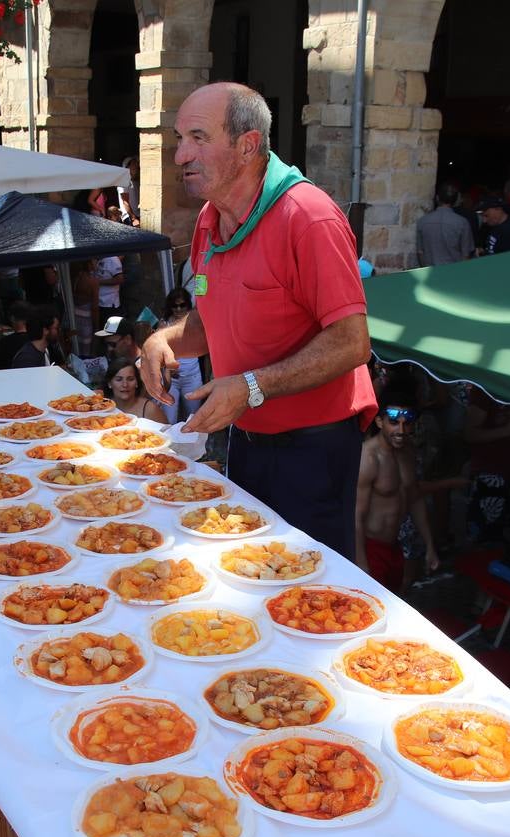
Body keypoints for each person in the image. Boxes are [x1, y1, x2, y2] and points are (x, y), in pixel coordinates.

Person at [140, 82, 376, 560]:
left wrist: (250, 386)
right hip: (247, 436)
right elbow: (209, 322)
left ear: (247, 145)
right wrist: (162, 338)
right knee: (248, 568)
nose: (180, 155)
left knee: (308, 586)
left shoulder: (308, 218)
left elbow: (353, 343)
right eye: (179, 138)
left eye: (198, 138)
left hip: (314, 447)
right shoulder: (210, 219)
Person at [355, 397, 438, 592]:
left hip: (394, 546)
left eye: (406, 423)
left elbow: (415, 499)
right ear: (379, 422)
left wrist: (430, 545)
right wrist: (360, 562)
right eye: (394, 422)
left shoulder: (408, 453)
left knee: (396, 598)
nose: (401, 430)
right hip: (370, 548)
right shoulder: (368, 458)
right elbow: (355, 515)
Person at [462, 387, 510, 543]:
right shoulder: (484, 388)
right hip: (491, 475)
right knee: (484, 540)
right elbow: (470, 434)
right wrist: (507, 430)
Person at [157, 288, 204, 424]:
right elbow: (158, 351)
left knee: (193, 420)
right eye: (175, 306)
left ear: (187, 305)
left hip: (192, 377)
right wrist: (166, 368)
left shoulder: (196, 322)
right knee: (169, 420)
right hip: (171, 380)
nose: (178, 309)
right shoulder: (164, 324)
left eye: (182, 305)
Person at [415, 183, 474, 266]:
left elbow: (420, 252)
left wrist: (424, 268)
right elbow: (466, 254)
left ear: (437, 198)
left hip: (430, 272)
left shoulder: (423, 221)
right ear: (456, 201)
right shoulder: (462, 222)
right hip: (453, 272)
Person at [105, 356, 169, 424]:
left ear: (137, 383)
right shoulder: (101, 408)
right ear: (109, 384)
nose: (125, 385)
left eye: (130, 379)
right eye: (119, 380)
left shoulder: (151, 410)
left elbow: (166, 432)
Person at [8, 304, 60, 368]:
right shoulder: (26, 359)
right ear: (45, 330)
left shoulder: (44, 351)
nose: (58, 332)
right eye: (56, 328)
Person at [71, 261, 99, 356]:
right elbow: (95, 307)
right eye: (94, 261)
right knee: (86, 348)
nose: (96, 263)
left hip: (74, 316)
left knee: (75, 342)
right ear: (89, 264)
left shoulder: (76, 278)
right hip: (86, 318)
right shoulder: (92, 281)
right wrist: (96, 324)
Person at [94, 252, 123, 327]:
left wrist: (99, 282)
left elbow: (119, 279)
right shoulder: (98, 259)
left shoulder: (112, 259)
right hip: (99, 303)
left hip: (110, 305)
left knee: (111, 332)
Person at [117, 155, 141, 226]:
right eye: (133, 165)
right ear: (127, 167)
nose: (136, 167)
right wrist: (133, 218)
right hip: (129, 217)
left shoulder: (135, 181)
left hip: (137, 214)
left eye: (136, 165)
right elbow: (125, 202)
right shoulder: (123, 182)